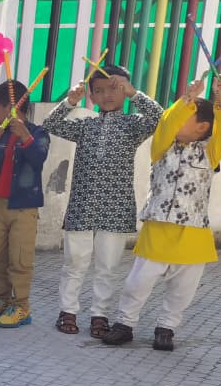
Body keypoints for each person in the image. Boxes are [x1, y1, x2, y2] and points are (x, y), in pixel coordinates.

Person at [103, 75, 221, 351]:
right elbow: (166, 122)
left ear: (202, 127)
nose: (176, 120)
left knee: (183, 289)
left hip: (193, 233)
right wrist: (187, 99)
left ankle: (166, 328)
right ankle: (124, 324)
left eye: (186, 116)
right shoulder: (162, 146)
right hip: (158, 228)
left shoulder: (211, 153)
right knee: (137, 282)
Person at [44, 64, 163, 337]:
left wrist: (134, 94)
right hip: (82, 205)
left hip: (116, 207)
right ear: (92, 96)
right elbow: (50, 124)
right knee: (74, 262)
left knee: (107, 267)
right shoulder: (86, 126)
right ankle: (67, 311)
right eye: (99, 90)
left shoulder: (133, 125)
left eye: (114, 88)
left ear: (124, 90)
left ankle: (100, 315)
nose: (107, 95)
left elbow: (159, 118)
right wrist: (69, 102)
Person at [0, 80, 50, 329]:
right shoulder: (1, 134)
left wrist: (26, 137)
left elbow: (39, 158)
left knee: (20, 259)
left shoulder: (38, 133)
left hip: (24, 207)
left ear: (11, 107)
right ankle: (0, 298)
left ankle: (21, 306)